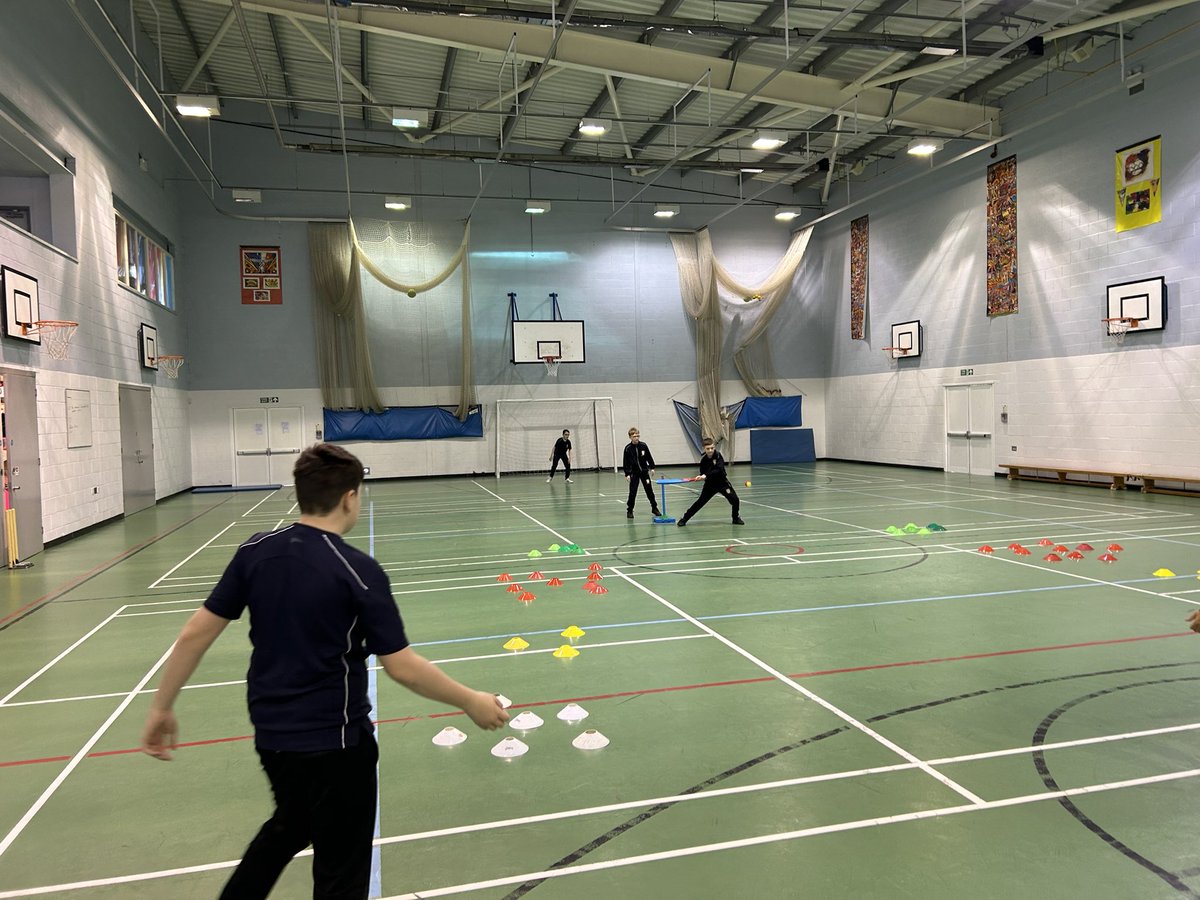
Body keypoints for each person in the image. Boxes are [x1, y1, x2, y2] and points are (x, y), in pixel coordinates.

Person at [140, 443, 508, 900]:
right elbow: (402, 667)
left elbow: (196, 632)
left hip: (272, 735)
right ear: (350, 497)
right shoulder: (357, 570)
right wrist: (470, 700)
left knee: (291, 824)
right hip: (337, 745)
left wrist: (161, 706)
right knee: (341, 866)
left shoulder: (255, 551)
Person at [677, 437, 744, 526]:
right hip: (710, 485)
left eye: (712, 448)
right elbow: (703, 473)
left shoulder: (719, 456)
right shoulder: (703, 460)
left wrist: (706, 475)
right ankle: (684, 519)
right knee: (700, 502)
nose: (710, 450)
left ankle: (735, 518)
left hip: (722, 484)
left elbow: (719, 470)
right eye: (708, 449)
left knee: (735, 500)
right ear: (704, 448)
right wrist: (701, 477)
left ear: (714, 447)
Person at [621, 426, 660, 519]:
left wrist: (652, 467)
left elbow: (649, 457)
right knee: (633, 492)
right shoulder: (627, 449)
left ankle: (654, 508)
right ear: (630, 437)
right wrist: (627, 474)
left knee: (649, 491)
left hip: (644, 473)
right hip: (634, 474)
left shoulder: (643, 446)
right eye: (634, 436)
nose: (637, 438)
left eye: (638, 436)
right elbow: (625, 462)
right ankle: (630, 510)